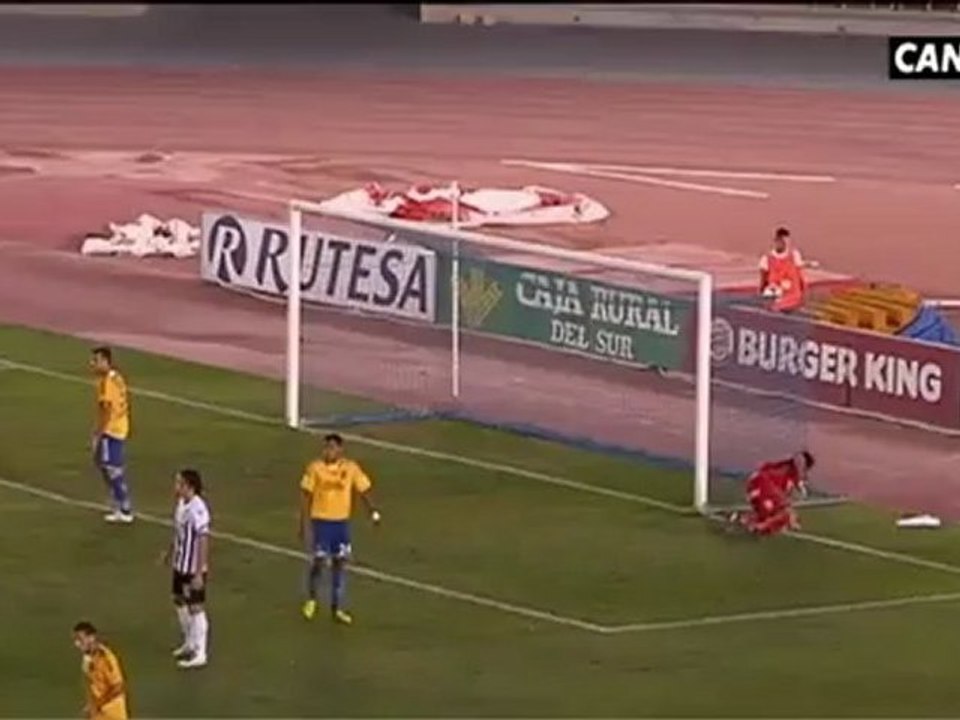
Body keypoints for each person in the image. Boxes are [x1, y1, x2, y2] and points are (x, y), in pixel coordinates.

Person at [299, 433, 382, 625]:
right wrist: (302, 523)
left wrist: (373, 511)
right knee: (319, 561)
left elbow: (363, 490)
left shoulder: (350, 468)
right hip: (321, 521)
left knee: (339, 563)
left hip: (341, 524)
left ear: (340, 450)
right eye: (327, 448)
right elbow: (305, 496)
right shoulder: (315, 468)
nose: (329, 451)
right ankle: (312, 599)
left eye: (333, 448)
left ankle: (337, 608)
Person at [161, 469, 212, 669]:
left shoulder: (198, 509)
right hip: (180, 564)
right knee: (178, 600)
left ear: (189, 486)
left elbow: (203, 540)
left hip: (193, 568)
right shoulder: (182, 504)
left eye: (179, 483)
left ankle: (201, 652)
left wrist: (199, 571)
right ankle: (190, 642)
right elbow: (179, 533)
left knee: (196, 607)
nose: (176, 487)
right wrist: (169, 552)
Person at [90, 346, 134, 523]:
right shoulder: (116, 377)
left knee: (113, 469)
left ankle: (124, 508)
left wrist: (98, 434)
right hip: (120, 426)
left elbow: (106, 410)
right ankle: (117, 500)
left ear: (106, 361)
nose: (93, 364)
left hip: (112, 430)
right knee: (103, 464)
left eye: (96, 360)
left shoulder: (106, 382)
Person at [731, 451, 815, 536]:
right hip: (761, 489)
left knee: (774, 514)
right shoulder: (786, 473)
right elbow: (785, 499)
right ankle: (757, 526)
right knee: (783, 516)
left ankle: (743, 519)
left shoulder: (785, 471)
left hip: (758, 490)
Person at [72, 621, 129, 720]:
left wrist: (99, 704)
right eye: (76, 640)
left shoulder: (106, 658)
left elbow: (118, 687)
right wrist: (91, 707)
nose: (77, 644)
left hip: (112, 715)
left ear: (91, 638)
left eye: (80, 639)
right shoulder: (88, 659)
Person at [758, 227, 807, 313]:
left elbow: (801, 276)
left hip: (793, 297)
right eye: (782, 242)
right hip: (776, 298)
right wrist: (763, 295)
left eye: (787, 242)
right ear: (776, 241)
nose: (785, 244)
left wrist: (803, 293)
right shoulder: (767, 258)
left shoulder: (794, 255)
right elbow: (763, 280)